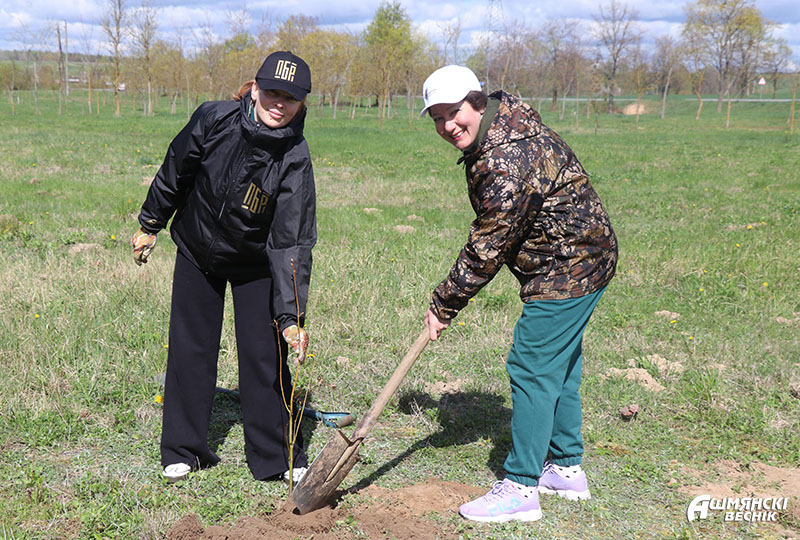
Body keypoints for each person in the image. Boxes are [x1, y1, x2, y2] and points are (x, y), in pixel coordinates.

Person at [420, 65, 617, 522]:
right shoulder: (506, 125)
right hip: (584, 255)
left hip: (568, 266)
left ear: (476, 102)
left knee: (532, 364)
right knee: (559, 365)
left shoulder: (505, 158)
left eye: (453, 112)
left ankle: (521, 488)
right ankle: (565, 469)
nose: (447, 125)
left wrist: (444, 304)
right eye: (437, 117)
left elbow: (489, 244)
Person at [132, 51, 316, 484]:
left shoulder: (295, 157)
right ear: (254, 88)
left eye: (290, 98)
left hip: (254, 265)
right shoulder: (214, 119)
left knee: (265, 356)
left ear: (301, 104)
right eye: (272, 92)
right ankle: (182, 450)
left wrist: (290, 316)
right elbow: (176, 169)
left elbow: (291, 240)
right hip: (197, 250)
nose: (279, 104)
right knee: (190, 348)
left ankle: (276, 457)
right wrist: (150, 223)